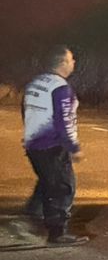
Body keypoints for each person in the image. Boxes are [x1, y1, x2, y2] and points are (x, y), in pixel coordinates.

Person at [21, 46, 86, 246]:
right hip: (53, 146)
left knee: (48, 180)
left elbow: (25, 110)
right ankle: (57, 233)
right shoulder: (60, 88)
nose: (74, 62)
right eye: (71, 59)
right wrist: (73, 147)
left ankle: (30, 217)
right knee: (63, 187)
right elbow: (64, 121)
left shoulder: (35, 83)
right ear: (63, 62)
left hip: (34, 145)